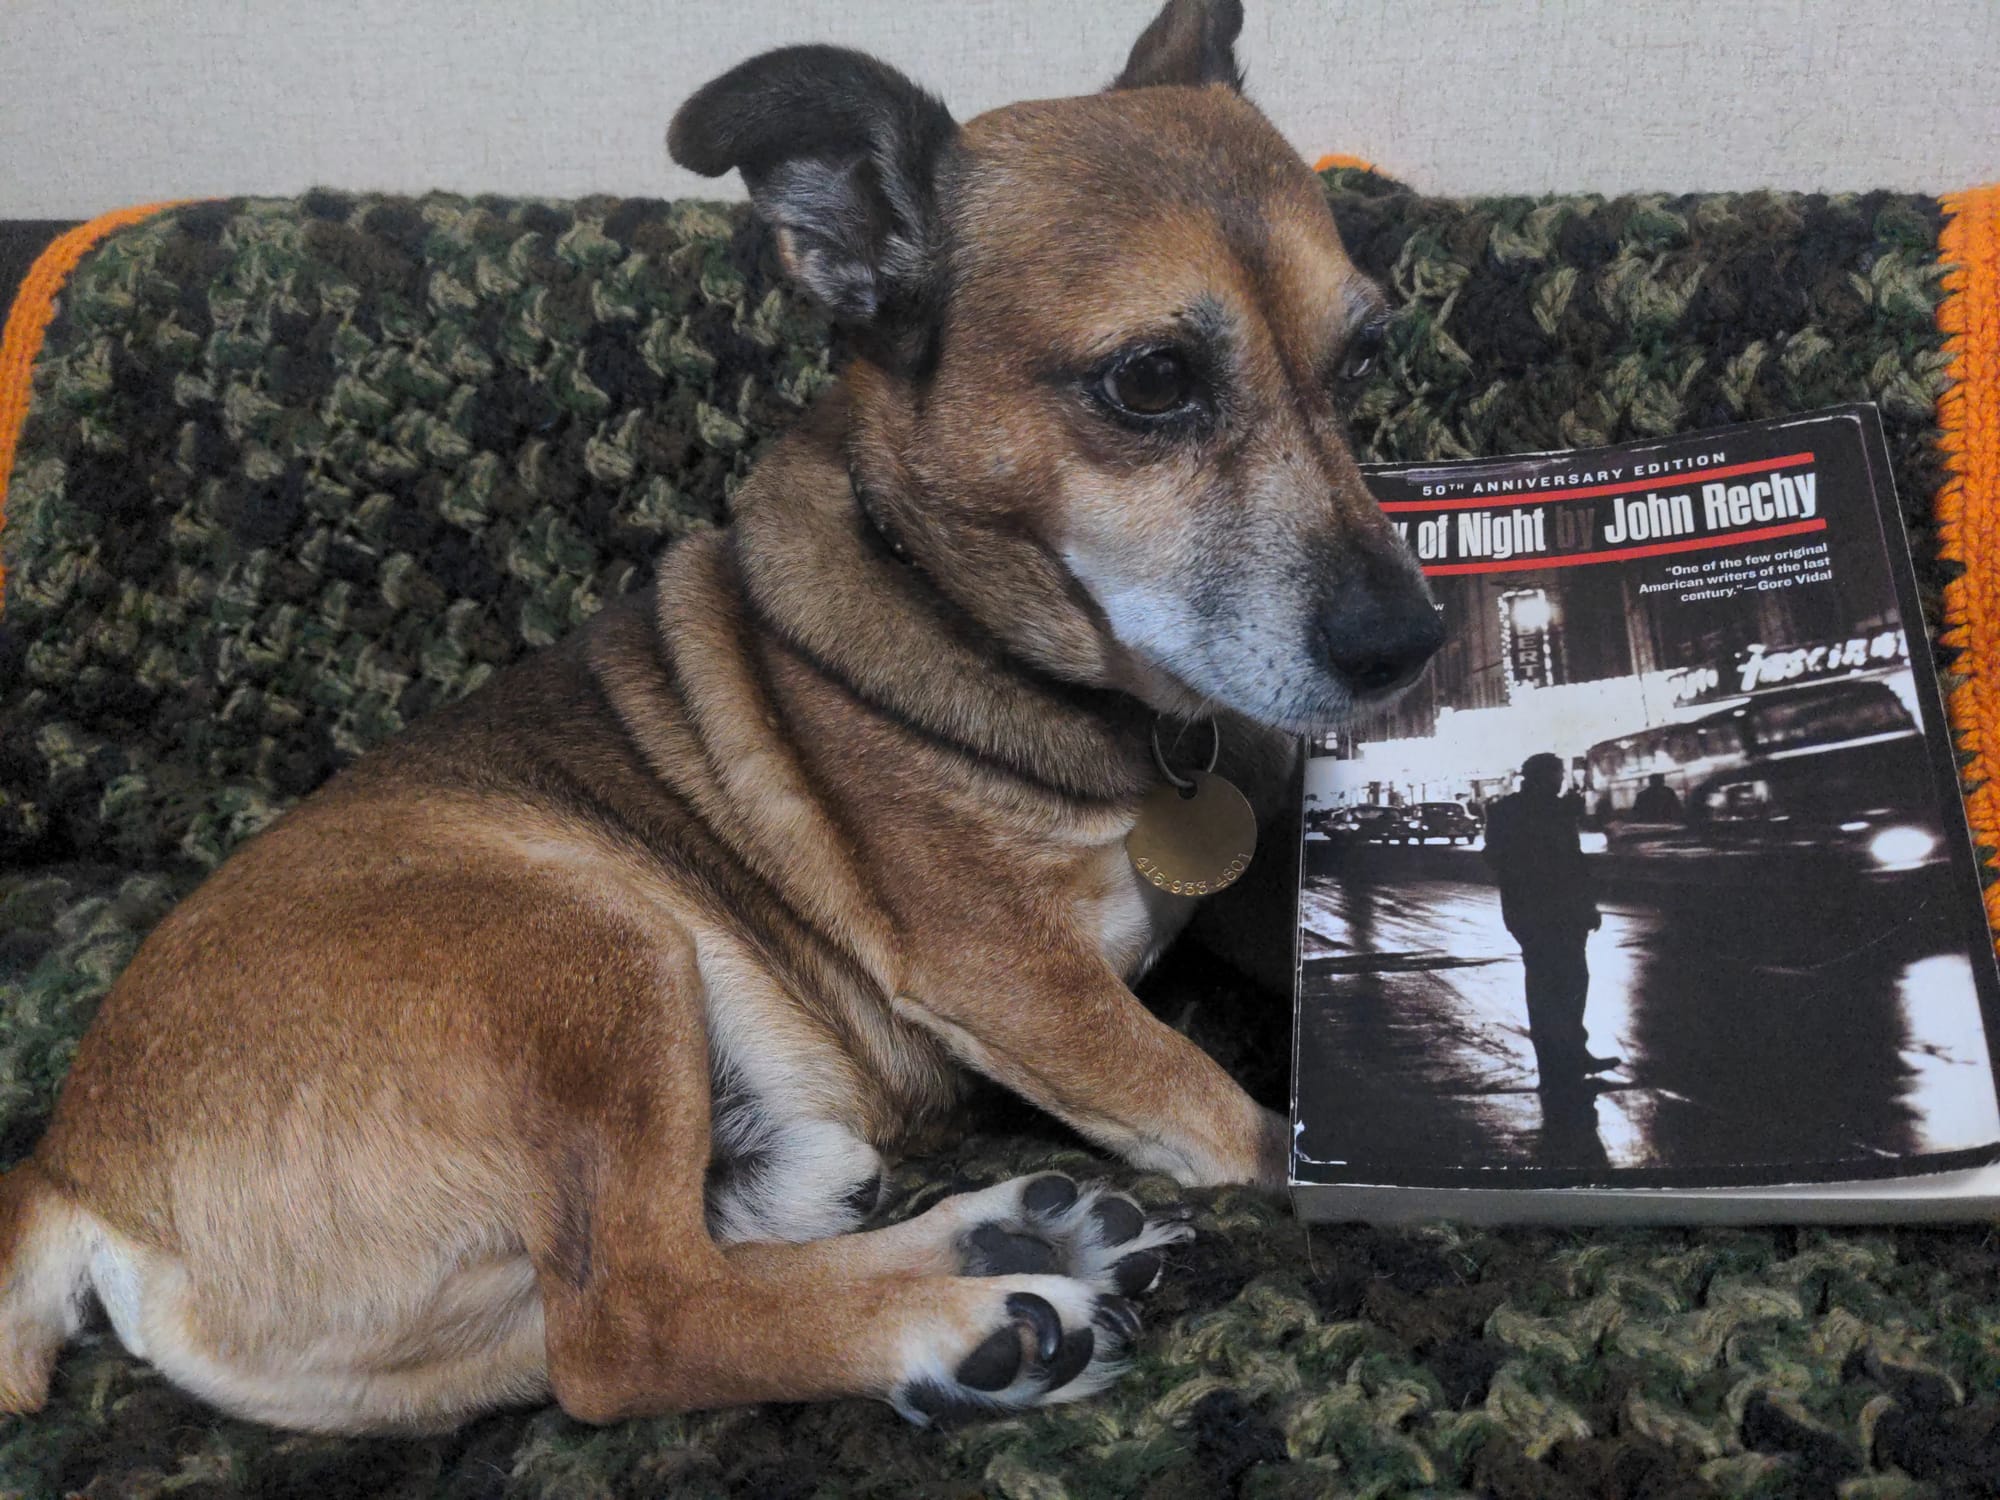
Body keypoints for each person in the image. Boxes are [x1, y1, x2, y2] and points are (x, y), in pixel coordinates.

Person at [1482, 753, 1620, 1091]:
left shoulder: (1507, 811)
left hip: (1532, 911)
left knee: (1552, 983)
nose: (1561, 781)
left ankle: (1562, 1056)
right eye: (1557, 775)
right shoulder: (1551, 811)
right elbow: (1570, 863)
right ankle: (1565, 1056)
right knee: (1566, 982)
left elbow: (1495, 857)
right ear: (1544, 777)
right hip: (1553, 910)